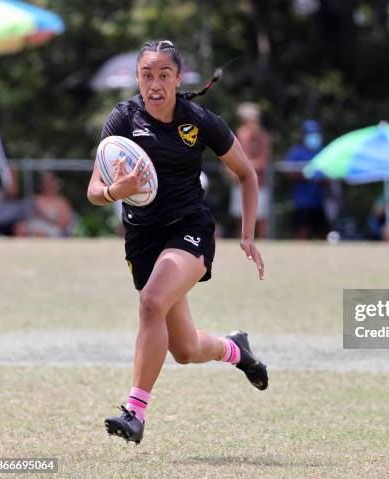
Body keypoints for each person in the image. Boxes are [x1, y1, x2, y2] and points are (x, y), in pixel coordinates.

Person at [86, 40, 267, 445]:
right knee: (184, 349)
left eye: (164, 75)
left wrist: (248, 234)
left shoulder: (199, 120)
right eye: (147, 75)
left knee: (151, 302)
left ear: (177, 78)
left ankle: (135, 412)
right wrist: (118, 189)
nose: (155, 84)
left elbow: (247, 174)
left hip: (189, 230)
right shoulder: (122, 120)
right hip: (142, 239)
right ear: (137, 78)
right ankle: (236, 349)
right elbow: (94, 190)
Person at [227, 102, 271, 238]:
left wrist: (245, 168)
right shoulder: (240, 134)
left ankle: (264, 248)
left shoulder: (263, 136)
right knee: (240, 219)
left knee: (261, 219)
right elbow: (233, 156)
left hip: (259, 184)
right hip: (240, 183)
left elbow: (263, 160)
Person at [284, 119, 329, 239]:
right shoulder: (296, 152)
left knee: (323, 231)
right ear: (303, 135)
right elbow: (288, 172)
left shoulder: (323, 151)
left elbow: (330, 175)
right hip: (302, 202)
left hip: (320, 201)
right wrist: (307, 175)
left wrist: (322, 180)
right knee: (302, 230)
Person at [13, 172, 75, 237]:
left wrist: (44, 217)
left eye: (50, 182)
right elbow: (26, 216)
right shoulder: (36, 199)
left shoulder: (61, 202)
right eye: (45, 182)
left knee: (39, 233)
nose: (47, 184)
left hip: (52, 228)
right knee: (19, 228)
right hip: (34, 225)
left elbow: (63, 224)